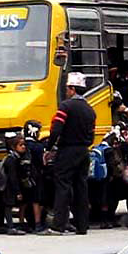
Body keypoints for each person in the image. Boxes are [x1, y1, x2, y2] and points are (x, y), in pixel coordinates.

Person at [44, 72, 96, 235]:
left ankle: (58, 225)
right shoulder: (90, 110)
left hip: (68, 151)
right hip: (84, 151)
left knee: (63, 186)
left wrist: (49, 147)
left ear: (72, 89)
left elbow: (56, 129)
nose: (66, 91)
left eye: (67, 88)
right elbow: (92, 135)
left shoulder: (66, 106)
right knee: (81, 187)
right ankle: (82, 226)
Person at [21, 120, 44, 233]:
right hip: (35, 175)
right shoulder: (38, 146)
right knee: (36, 200)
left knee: (24, 201)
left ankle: (21, 222)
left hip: (22, 174)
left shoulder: (20, 143)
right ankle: (37, 223)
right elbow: (41, 162)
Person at [3, 133, 26, 236]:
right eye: (21, 145)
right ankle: (10, 227)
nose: (23, 147)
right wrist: (17, 191)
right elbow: (12, 177)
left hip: (9, 186)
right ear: (14, 147)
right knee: (8, 206)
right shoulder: (12, 159)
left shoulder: (15, 157)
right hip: (8, 187)